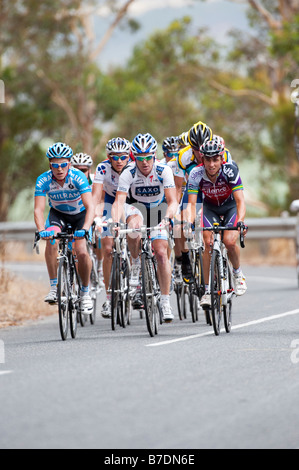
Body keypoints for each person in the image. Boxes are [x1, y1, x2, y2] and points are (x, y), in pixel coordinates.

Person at [112, 133, 178, 322]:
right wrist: (116, 223)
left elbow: (173, 201)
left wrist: (168, 217)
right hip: (137, 207)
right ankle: (134, 263)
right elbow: (119, 202)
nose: (145, 163)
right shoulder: (128, 172)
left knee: (161, 253)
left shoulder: (163, 170)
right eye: (140, 159)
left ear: (154, 156)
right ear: (135, 158)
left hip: (158, 209)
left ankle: (165, 302)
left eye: (148, 158)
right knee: (134, 226)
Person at [185, 137, 247, 308]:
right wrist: (189, 224)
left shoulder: (230, 171)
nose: (211, 164)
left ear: (221, 159)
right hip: (209, 208)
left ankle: (237, 273)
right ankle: (206, 291)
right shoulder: (196, 174)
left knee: (229, 241)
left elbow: (240, 201)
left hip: (230, 207)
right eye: (207, 160)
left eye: (215, 159)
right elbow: (191, 204)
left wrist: (240, 222)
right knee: (208, 244)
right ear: (202, 159)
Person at [34, 142, 95, 314]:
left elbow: (90, 206)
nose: (59, 169)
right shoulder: (43, 180)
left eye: (63, 165)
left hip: (80, 215)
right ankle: (54, 287)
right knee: (51, 241)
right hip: (58, 215)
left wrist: (85, 228)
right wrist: (41, 230)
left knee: (81, 251)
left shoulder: (78, 177)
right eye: (55, 165)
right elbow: (38, 209)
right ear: (50, 165)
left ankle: (85, 293)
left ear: (69, 163)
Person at [92, 137, 143, 318]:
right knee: (107, 249)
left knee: (134, 229)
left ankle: (136, 262)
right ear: (109, 157)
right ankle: (108, 297)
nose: (120, 161)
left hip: (132, 203)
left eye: (123, 156)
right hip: (109, 204)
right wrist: (97, 218)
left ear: (129, 156)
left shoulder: (135, 167)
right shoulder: (102, 168)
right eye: (115, 157)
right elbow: (96, 196)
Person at [71, 152, 104, 287]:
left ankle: (100, 266)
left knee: (100, 234)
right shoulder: (69, 181)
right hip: (76, 215)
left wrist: (98, 217)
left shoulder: (95, 180)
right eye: (76, 170)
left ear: (89, 170)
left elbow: (101, 200)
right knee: (75, 249)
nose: (80, 173)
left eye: (83, 170)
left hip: (93, 213)